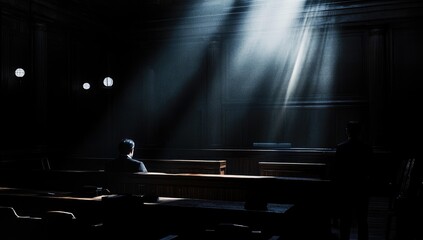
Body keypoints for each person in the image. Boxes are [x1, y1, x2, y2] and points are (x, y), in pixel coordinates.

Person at [332, 121, 373, 240]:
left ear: (347, 131)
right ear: (359, 132)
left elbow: (337, 171)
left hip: (346, 188)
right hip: (361, 187)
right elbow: (370, 170)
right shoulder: (366, 148)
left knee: (345, 220)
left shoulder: (341, 148)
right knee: (362, 220)